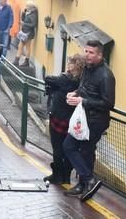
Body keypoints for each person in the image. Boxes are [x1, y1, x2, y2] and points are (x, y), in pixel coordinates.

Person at [63, 40, 116, 202]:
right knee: (74, 148)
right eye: (86, 51)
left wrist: (82, 101)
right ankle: (85, 183)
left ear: (100, 55)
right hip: (84, 118)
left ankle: (87, 181)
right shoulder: (87, 68)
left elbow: (109, 103)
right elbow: (84, 88)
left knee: (81, 150)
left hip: (95, 121)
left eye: (91, 52)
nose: (87, 55)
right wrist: (74, 93)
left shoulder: (106, 75)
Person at [43, 55, 84, 185]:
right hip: (72, 119)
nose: (68, 65)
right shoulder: (82, 81)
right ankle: (66, 176)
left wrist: (63, 74)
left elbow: (48, 78)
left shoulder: (65, 78)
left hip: (58, 116)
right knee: (69, 149)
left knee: (57, 147)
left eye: (70, 63)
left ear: (73, 66)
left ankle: (57, 175)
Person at [15, 1, 38, 67]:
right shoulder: (29, 13)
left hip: (28, 33)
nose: (26, 7)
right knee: (21, 46)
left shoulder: (33, 15)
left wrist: (24, 24)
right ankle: (19, 61)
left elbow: (33, 24)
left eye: (27, 6)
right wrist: (23, 13)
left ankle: (21, 61)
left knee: (26, 47)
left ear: (31, 7)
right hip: (25, 32)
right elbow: (23, 19)